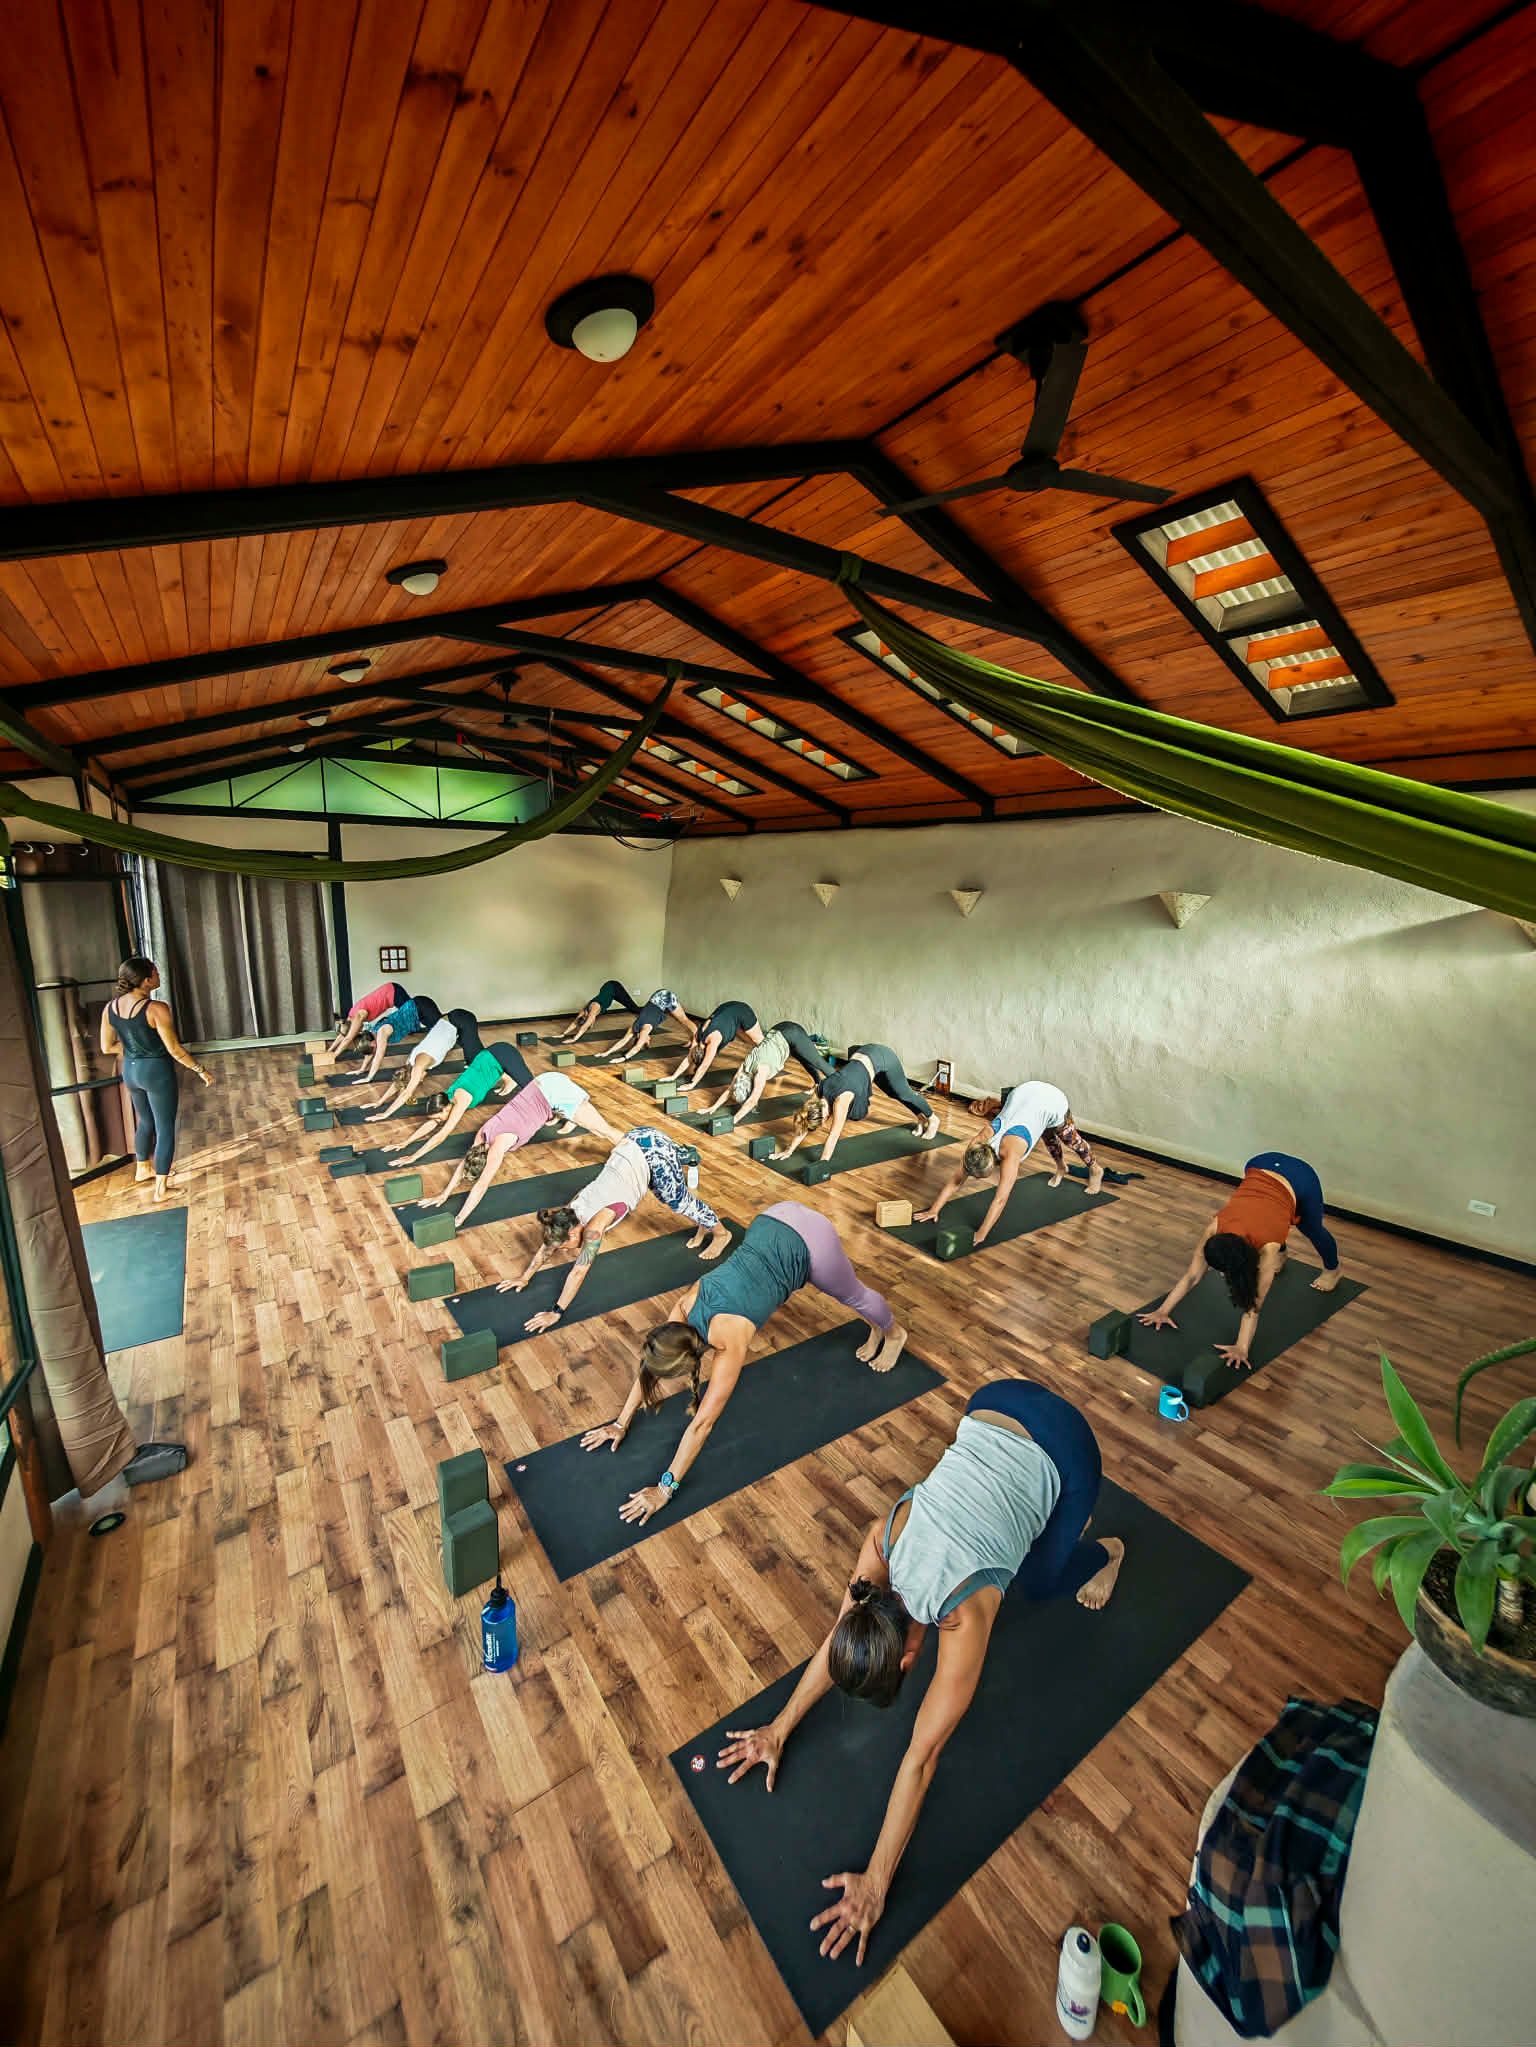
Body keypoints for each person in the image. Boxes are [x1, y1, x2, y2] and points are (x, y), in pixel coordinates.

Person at [716, 1377, 1125, 1965]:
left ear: (910, 1659)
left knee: (1039, 1580)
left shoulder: (964, 1614)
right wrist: (778, 1728)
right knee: (1027, 1544)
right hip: (993, 1401)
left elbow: (922, 1758)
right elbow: (840, 1639)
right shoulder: (884, 1540)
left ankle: (1108, 1551)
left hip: (1067, 1444)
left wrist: (876, 1883)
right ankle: (1049, 1519)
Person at [581, 1201, 909, 1523]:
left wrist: (665, 1489)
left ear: (691, 1364)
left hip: (810, 1241)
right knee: (856, 1302)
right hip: (772, 1218)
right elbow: (651, 1365)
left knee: (854, 1295)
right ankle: (874, 1327)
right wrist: (620, 1423)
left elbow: (702, 1424)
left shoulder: (730, 1338)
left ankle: (894, 1334)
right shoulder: (684, 1308)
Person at [499, 1127, 731, 1331]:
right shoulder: (570, 1211)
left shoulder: (593, 1229)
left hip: (652, 1154)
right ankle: (682, 1156)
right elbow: (551, 1242)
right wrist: (525, 1277)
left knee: (678, 1202)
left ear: (573, 1233)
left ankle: (721, 1233)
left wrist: (556, 1312)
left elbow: (578, 1271)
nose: (565, 1250)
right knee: (664, 1192)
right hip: (635, 1139)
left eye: (565, 1246)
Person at [1138, 1151, 1343, 1371]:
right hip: (1260, 1164)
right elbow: (1192, 1276)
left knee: (1311, 1228)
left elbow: (1254, 1304)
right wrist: (1163, 1310)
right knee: (1272, 1216)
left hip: (1299, 1178)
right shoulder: (1215, 1228)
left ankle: (1333, 1270)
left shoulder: (1268, 1248)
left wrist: (1241, 1347)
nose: (1221, 1275)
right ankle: (1284, 1251)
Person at [417, 1070, 622, 1227]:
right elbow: (465, 1163)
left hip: (554, 1093)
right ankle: (569, 1117)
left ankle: (635, 1150)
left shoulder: (498, 1146)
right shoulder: (482, 1135)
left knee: (603, 1131)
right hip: (542, 1084)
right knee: (594, 1127)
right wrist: (444, 1193)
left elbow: (482, 1184)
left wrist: (459, 1219)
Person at [915, 1081, 1104, 1244]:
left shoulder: (1011, 1154)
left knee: (1070, 1139)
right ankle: (1061, 1167)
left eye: (979, 1177)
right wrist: (934, 1209)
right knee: (1046, 1132)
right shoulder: (977, 1145)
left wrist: (981, 1234)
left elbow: (1000, 1199)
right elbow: (957, 1179)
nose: (974, 1178)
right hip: (1024, 1094)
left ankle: (1095, 1169)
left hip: (1050, 1100)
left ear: (993, 1165)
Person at [99, 956, 215, 1201]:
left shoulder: (110, 1008)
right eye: (155, 972)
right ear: (146, 980)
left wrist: (135, 1050)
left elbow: (107, 1047)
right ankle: (161, 1190)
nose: (159, 975)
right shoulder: (156, 1009)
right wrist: (200, 1070)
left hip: (131, 1071)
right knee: (165, 1128)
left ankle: (143, 1169)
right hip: (156, 1072)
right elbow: (174, 1049)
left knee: (145, 1121)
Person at [772, 1045, 940, 1165]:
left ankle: (933, 1119)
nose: (823, 1125)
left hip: (882, 1057)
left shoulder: (841, 1101)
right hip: (864, 1056)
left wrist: (822, 1163)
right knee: (893, 1093)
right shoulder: (818, 1093)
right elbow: (805, 1122)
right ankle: (920, 1118)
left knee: (903, 1093)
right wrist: (789, 1150)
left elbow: (833, 1135)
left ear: (825, 1116)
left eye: (822, 1123)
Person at [384, 1041, 536, 1166]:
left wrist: (414, 1156)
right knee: (488, 1074)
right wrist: (406, 1142)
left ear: (446, 1108)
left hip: (504, 1055)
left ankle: (552, 1111)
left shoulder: (462, 1099)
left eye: (439, 1117)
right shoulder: (446, 1097)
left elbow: (442, 1135)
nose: (438, 1121)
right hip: (487, 1057)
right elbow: (432, 1123)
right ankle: (508, 1078)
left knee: (534, 1090)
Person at [698, 1020, 834, 1126]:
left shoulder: (760, 1073)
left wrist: (734, 1120)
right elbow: (730, 1089)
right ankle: (818, 1083)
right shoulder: (743, 1069)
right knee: (804, 1060)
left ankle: (840, 1089)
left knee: (819, 1063)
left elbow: (753, 1101)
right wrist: (712, 1107)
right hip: (779, 1030)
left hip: (792, 1034)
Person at [362, 1007, 482, 1122]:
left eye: (417, 1080)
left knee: (476, 1059)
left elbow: (406, 1093)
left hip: (461, 1019)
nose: (420, 1081)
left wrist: (386, 1114)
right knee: (473, 1054)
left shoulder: (419, 1066)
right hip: (451, 1020)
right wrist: (380, 1101)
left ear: (413, 1075)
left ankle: (492, 1071)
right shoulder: (409, 1063)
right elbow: (399, 1081)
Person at [661, 998, 763, 1092]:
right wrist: (673, 1076)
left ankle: (770, 1059)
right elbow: (688, 1058)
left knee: (759, 1041)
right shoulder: (697, 1037)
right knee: (748, 1041)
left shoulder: (713, 1041)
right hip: (727, 1010)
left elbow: (705, 1065)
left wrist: (691, 1084)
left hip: (742, 1011)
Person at [343, 992, 441, 1087]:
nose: (374, 1051)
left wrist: (369, 1078)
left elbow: (378, 1056)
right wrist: (362, 1069)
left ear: (373, 1043)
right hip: (418, 1012)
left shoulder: (382, 1032)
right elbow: (370, 1053)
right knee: (441, 1027)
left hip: (422, 1006)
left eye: (373, 1049)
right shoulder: (372, 1034)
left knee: (444, 1027)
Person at [596, 988, 695, 1063]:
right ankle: (692, 1039)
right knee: (682, 1019)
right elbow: (623, 1041)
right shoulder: (635, 1027)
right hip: (656, 997)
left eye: (647, 1041)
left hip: (664, 997)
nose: (649, 1039)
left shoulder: (645, 1029)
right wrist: (606, 1053)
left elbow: (637, 1047)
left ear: (641, 1038)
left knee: (684, 1019)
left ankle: (696, 1039)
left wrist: (623, 1058)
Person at [326, 979, 406, 1060]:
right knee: (411, 1014)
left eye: (357, 1031)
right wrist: (329, 1051)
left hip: (393, 992)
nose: (359, 1031)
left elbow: (348, 1039)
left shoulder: (358, 1017)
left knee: (412, 1013)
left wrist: (333, 1056)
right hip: (391, 991)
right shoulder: (349, 1019)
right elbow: (343, 1035)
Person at [556, 979, 641, 1044]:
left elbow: (584, 1027)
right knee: (633, 1009)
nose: (591, 1023)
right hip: (607, 990)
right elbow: (575, 1022)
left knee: (633, 1008)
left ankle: (645, 1019)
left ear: (587, 1019)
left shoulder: (594, 1009)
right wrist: (563, 1034)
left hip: (614, 987)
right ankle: (641, 1020)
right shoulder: (584, 1012)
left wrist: (574, 1039)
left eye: (589, 1022)